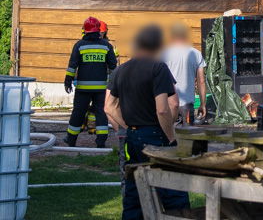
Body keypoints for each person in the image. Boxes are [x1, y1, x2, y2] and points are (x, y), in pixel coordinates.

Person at [105, 25, 189, 220]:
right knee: (172, 188)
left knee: (135, 189)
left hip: (132, 138)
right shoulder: (158, 68)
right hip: (155, 135)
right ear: (157, 45)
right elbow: (164, 107)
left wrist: (127, 127)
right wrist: (170, 137)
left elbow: (109, 107)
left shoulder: (121, 70)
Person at [64, 16, 117, 148]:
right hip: (101, 89)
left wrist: (68, 81)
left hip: (83, 89)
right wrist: (114, 85)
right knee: (101, 113)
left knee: (78, 113)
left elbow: (72, 66)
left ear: (85, 31)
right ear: (98, 30)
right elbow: (113, 67)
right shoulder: (106, 46)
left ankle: (71, 140)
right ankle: (101, 141)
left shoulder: (79, 45)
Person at [163, 23, 207, 124]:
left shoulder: (164, 54)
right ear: (185, 36)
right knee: (187, 136)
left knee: (170, 135)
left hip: (169, 104)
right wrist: (202, 104)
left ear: (172, 36)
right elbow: (201, 81)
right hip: (187, 105)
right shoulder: (196, 53)